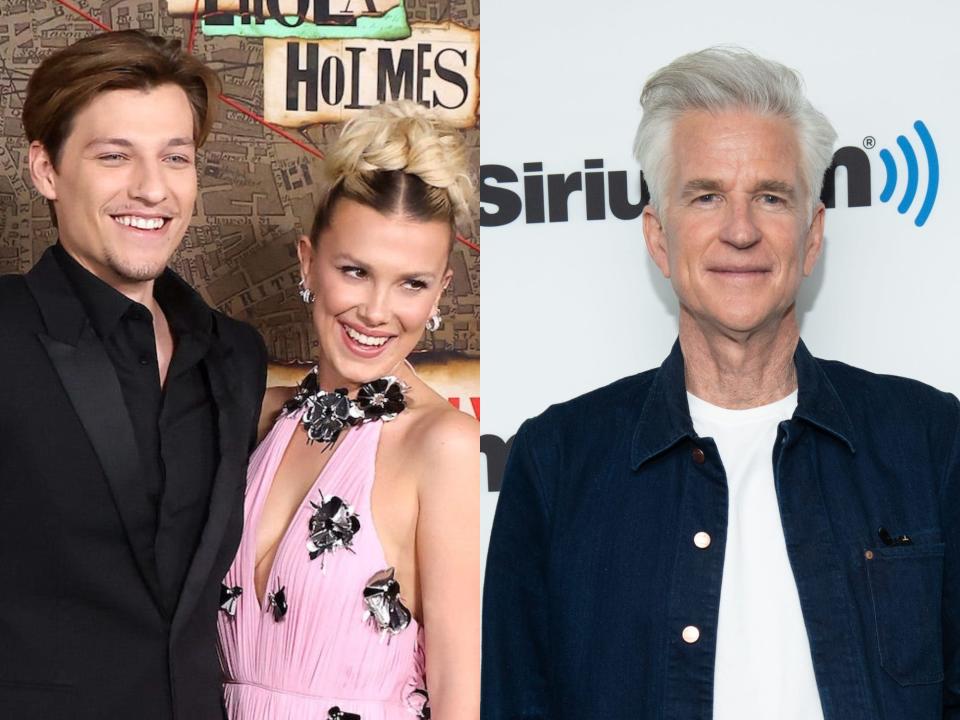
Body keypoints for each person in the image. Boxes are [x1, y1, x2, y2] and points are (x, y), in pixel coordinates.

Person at [482, 47, 960, 720]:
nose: (741, 231)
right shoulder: (556, 462)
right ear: (658, 237)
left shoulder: (930, 442)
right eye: (706, 196)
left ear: (813, 233)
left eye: (770, 197)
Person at [0, 30, 267, 718]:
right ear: (46, 171)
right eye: (114, 156)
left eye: (175, 157)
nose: (152, 188)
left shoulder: (235, 354)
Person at [217, 100, 480, 719]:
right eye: (356, 271)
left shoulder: (442, 445)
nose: (376, 311)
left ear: (442, 289)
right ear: (309, 262)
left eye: (412, 283)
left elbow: (459, 693)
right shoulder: (257, 418)